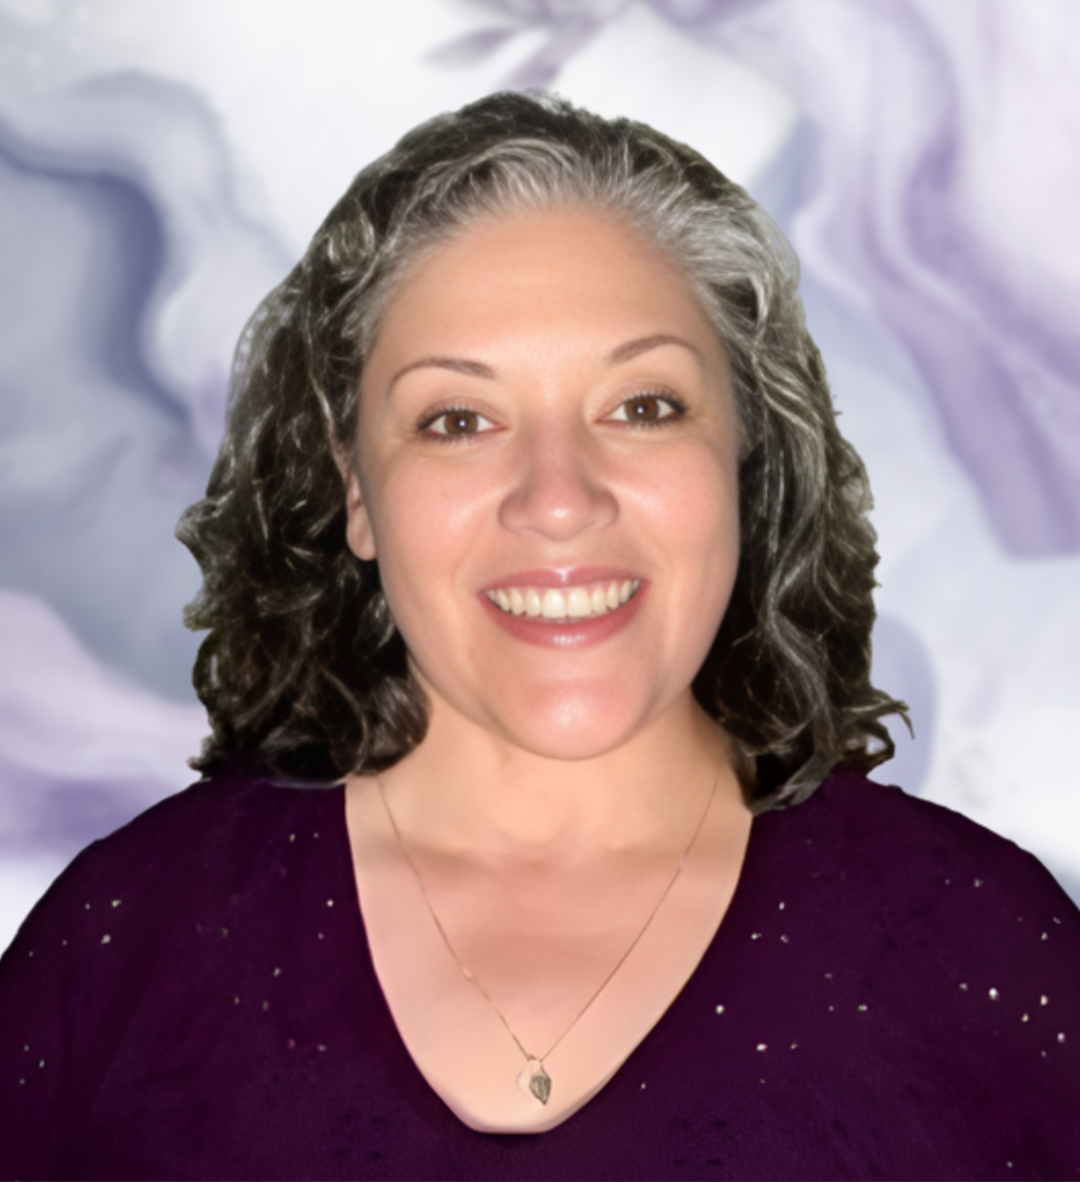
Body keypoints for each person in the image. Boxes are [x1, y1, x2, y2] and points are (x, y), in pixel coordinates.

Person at [1, 91, 1078, 1180]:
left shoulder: (988, 945)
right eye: (457, 421)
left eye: (643, 406)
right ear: (355, 494)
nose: (558, 499)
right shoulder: (126, 941)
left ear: (747, 464)